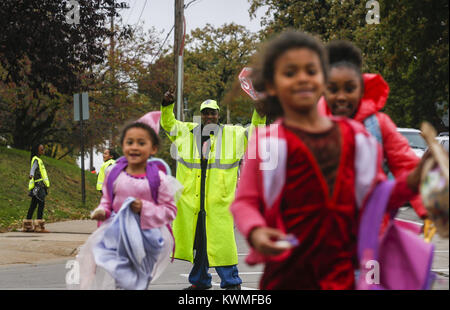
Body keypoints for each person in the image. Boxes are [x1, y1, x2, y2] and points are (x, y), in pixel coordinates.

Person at [230, 30, 428, 289]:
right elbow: (245, 201)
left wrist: (414, 180)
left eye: (311, 71)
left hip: (342, 274)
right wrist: (256, 231)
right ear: (273, 85)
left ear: (323, 79)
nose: (302, 78)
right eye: (290, 72)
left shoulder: (357, 138)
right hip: (287, 276)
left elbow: (377, 197)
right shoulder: (267, 141)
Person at [318, 40, 431, 236]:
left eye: (349, 88)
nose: (342, 97)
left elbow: (408, 165)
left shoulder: (378, 124)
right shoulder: (307, 126)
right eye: (333, 88)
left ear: (361, 87)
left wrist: (427, 208)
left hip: (372, 235)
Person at [160, 91, 266, 290]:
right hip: (193, 202)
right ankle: (200, 282)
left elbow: (255, 130)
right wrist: (166, 105)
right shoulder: (186, 133)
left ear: (218, 115)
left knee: (223, 244)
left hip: (218, 202)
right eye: (206, 112)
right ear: (201, 115)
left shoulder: (233, 135)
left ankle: (231, 282)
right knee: (198, 245)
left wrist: (259, 113)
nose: (210, 116)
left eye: (213, 113)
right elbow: (168, 124)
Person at [89, 118, 182, 289]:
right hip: (119, 237)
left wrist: (144, 208)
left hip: (147, 240)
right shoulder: (114, 174)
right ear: (123, 146)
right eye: (129, 142)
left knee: (138, 281)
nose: (134, 147)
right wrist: (103, 211)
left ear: (153, 148)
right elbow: (107, 200)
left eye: (141, 143)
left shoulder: (158, 179)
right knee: (122, 281)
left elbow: (169, 211)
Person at [23, 144, 50, 233]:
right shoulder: (36, 159)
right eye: (41, 149)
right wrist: (31, 175)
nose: (43, 151)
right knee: (41, 203)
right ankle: (39, 226)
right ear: (37, 150)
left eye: (43, 149)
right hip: (38, 185)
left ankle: (27, 225)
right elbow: (33, 169)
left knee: (33, 204)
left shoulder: (39, 160)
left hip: (39, 185)